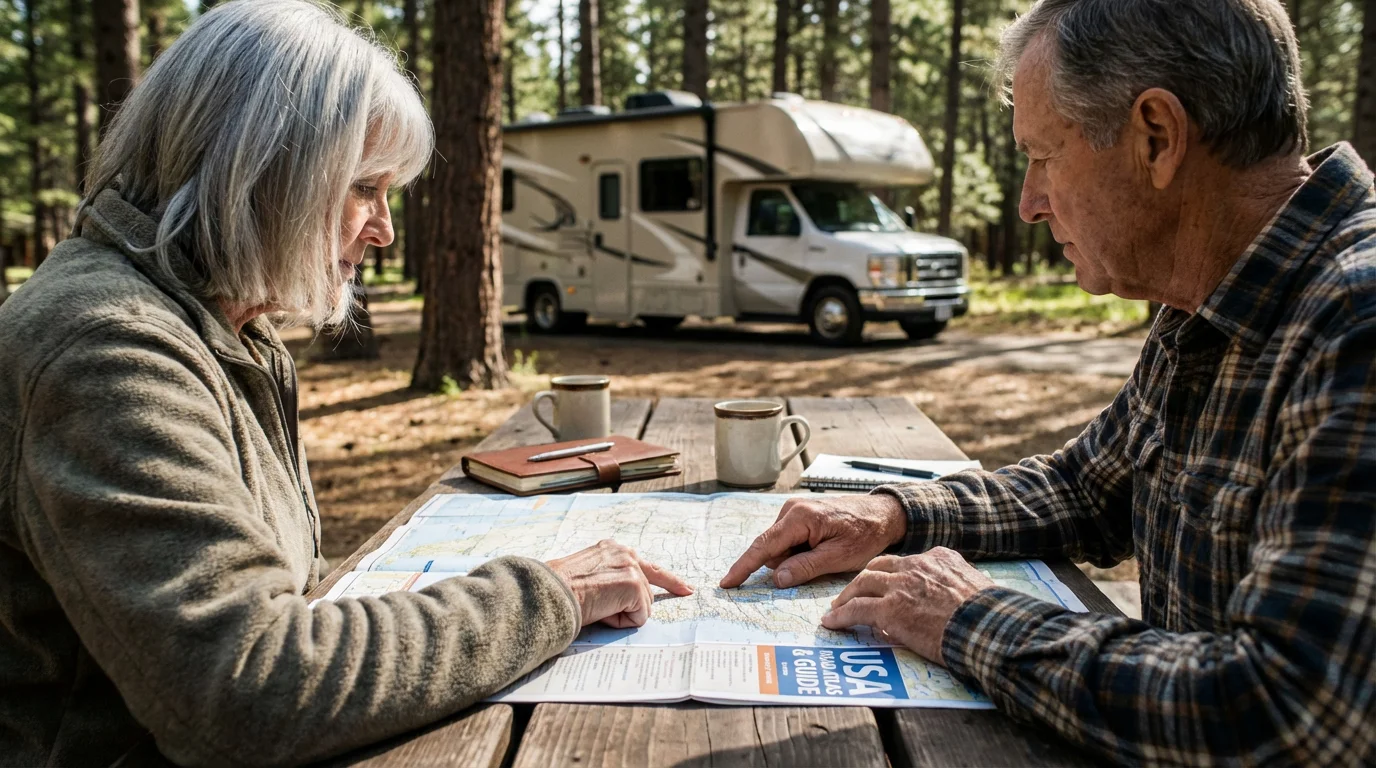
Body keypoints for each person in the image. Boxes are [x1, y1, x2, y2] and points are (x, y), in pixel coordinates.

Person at [0, 2, 691, 765]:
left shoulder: (222, 325)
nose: (385, 229)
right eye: (365, 187)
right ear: (259, 171)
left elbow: (282, 594)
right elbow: (244, 688)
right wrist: (547, 595)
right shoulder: (108, 349)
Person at [723, 0, 1375, 762]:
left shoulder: (1355, 320)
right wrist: (889, 514)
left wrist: (967, 617)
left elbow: (1288, 710)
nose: (1029, 204)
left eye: (1043, 155)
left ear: (1156, 138)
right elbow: (1086, 489)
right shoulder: (1208, 295)